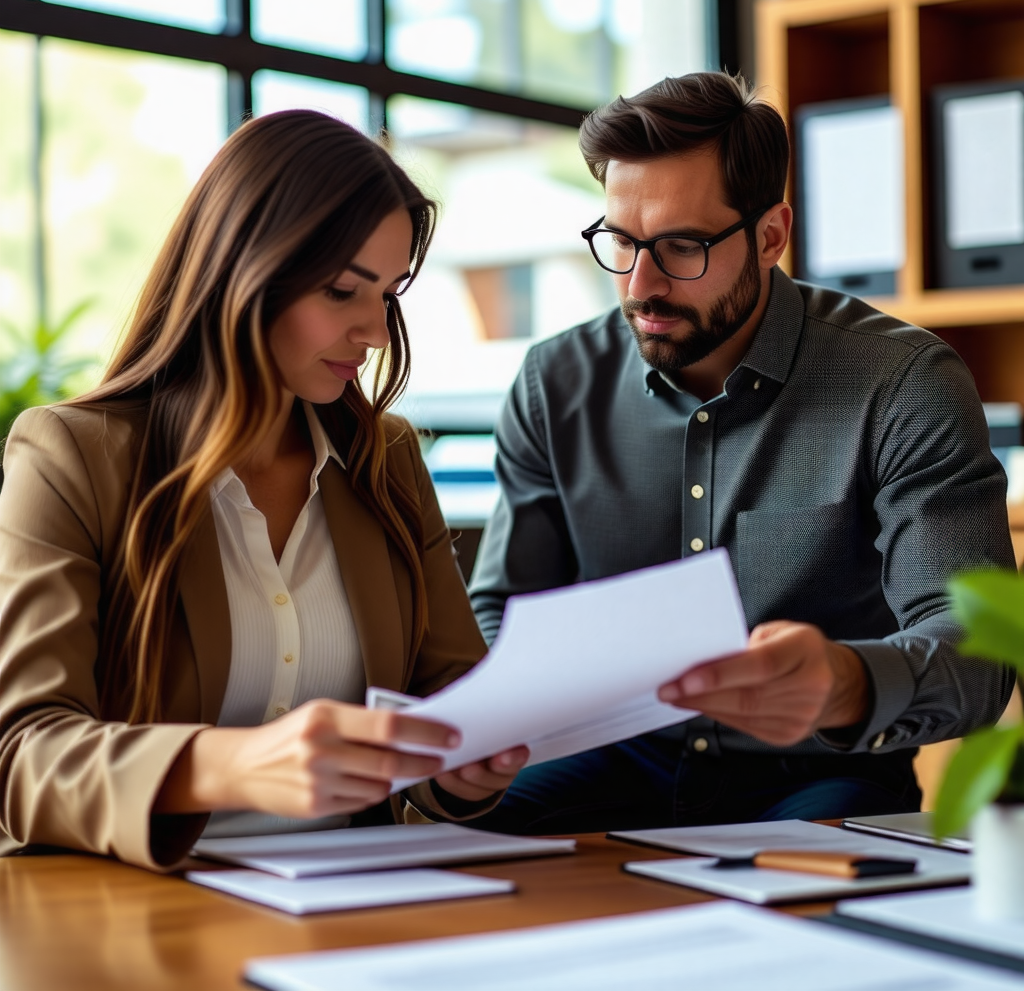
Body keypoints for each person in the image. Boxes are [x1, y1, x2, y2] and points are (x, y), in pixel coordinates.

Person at [468, 72, 1016, 835]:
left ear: (770, 236)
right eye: (620, 241)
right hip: (608, 757)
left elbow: (978, 655)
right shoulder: (553, 382)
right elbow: (502, 613)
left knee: (824, 903)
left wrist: (844, 681)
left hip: (815, 771)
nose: (641, 285)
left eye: (681, 246)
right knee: (449, 856)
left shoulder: (903, 383)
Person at [0, 110, 527, 870]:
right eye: (342, 291)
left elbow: (448, 697)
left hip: (364, 896)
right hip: (143, 902)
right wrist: (233, 765)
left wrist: (465, 765)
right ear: (242, 274)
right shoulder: (74, 457)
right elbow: (20, 753)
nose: (376, 331)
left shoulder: (386, 459)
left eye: (388, 294)